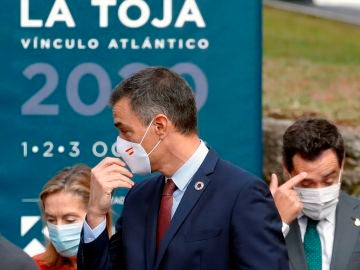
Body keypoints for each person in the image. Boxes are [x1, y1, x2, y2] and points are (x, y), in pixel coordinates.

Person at [77, 67, 289, 270]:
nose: (120, 144)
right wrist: (95, 213)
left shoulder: (242, 194)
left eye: (126, 131)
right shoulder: (139, 198)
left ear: (159, 126)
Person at [270, 118, 360, 270]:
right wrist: (276, 224)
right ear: (287, 171)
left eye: (328, 180)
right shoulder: (263, 219)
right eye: (306, 183)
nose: (319, 192)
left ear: (342, 165)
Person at [33, 164, 112, 270]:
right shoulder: (35, 266)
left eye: (70, 220)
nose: (59, 228)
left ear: (98, 215)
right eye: (51, 220)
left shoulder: (123, 264)